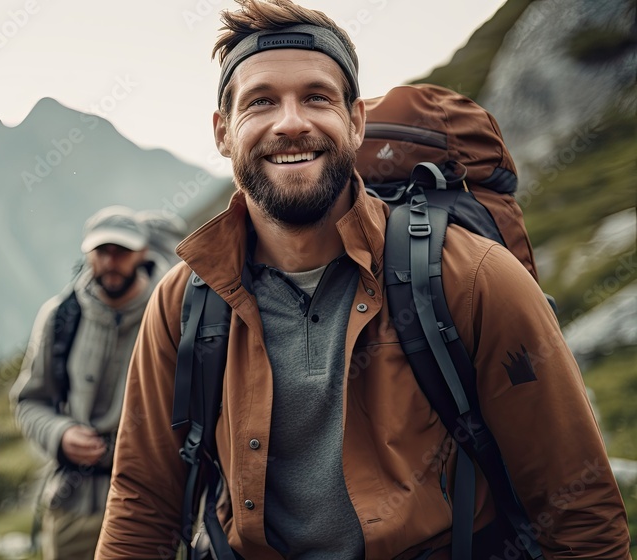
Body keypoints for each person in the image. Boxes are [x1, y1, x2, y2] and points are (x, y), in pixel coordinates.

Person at [96, 1, 631, 559]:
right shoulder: (184, 301)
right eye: (261, 102)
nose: (291, 122)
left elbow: (577, 509)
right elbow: (143, 502)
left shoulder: (470, 277)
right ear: (223, 131)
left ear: (354, 122)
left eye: (316, 97)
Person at [11, 205, 165, 559]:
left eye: (122, 251)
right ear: (87, 253)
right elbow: (29, 401)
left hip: (152, 503)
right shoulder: (60, 315)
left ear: (142, 253)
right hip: (72, 505)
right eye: (102, 251)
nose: (111, 261)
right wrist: (59, 434)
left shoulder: (172, 310)